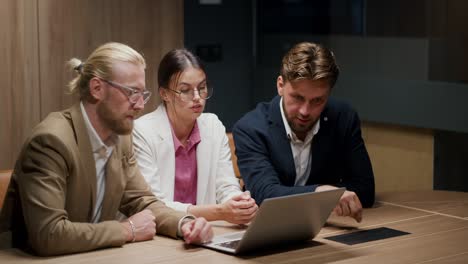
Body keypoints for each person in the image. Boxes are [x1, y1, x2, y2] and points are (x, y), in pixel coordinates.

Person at [0, 42, 212, 256]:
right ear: (97, 88)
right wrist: (126, 230)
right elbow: (49, 234)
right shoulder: (51, 141)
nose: (140, 105)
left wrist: (185, 223)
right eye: (132, 92)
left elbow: (141, 201)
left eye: (143, 94)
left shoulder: (121, 136)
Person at [232, 42, 375, 223]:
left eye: (317, 101)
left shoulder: (343, 118)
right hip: (273, 228)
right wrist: (321, 192)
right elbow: (265, 195)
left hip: (327, 226)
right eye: (298, 98)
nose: (305, 111)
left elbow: (365, 189)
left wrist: (318, 195)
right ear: (280, 85)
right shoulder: (250, 128)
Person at [133, 49, 257, 225]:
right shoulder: (142, 131)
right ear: (164, 94)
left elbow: (226, 185)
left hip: (204, 231)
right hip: (159, 233)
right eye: (185, 90)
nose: (198, 98)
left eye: (202, 88)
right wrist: (220, 212)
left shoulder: (213, 126)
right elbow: (154, 206)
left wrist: (239, 203)